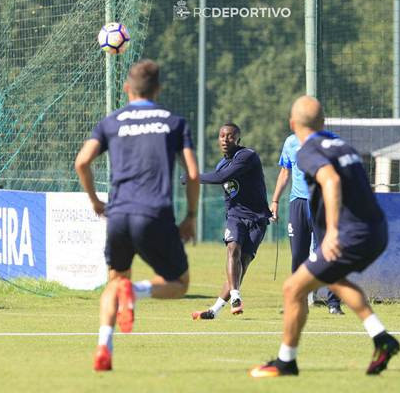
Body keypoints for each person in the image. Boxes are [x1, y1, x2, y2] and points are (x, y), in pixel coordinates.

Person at [250, 96, 399, 378]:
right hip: (377, 229)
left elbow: (330, 180)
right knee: (331, 278)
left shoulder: (307, 150)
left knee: (293, 288)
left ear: (293, 124)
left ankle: (286, 362)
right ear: (323, 122)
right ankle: (382, 338)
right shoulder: (342, 145)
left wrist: (331, 230)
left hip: (351, 233)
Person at [75, 60, 200, 371]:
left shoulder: (111, 122)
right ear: (157, 89)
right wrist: (191, 215)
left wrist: (94, 200)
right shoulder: (174, 123)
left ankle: (104, 345)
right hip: (154, 214)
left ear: (126, 88)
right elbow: (194, 175)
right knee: (180, 282)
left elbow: (81, 162)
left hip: (118, 215)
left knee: (114, 281)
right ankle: (138, 291)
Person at [188, 123, 271, 319]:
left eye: (230, 136)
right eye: (222, 136)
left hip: (258, 219)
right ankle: (235, 297)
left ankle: (214, 311)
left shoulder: (247, 156)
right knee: (233, 248)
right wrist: (230, 217)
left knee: (242, 263)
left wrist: (193, 177)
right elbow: (227, 191)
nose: (225, 140)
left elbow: (222, 177)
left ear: (238, 140)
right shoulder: (221, 165)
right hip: (236, 216)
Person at [270, 134, 344, 315]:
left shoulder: (329, 140)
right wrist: (275, 201)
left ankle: (334, 303)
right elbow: (285, 172)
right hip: (298, 204)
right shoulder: (290, 141)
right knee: (298, 255)